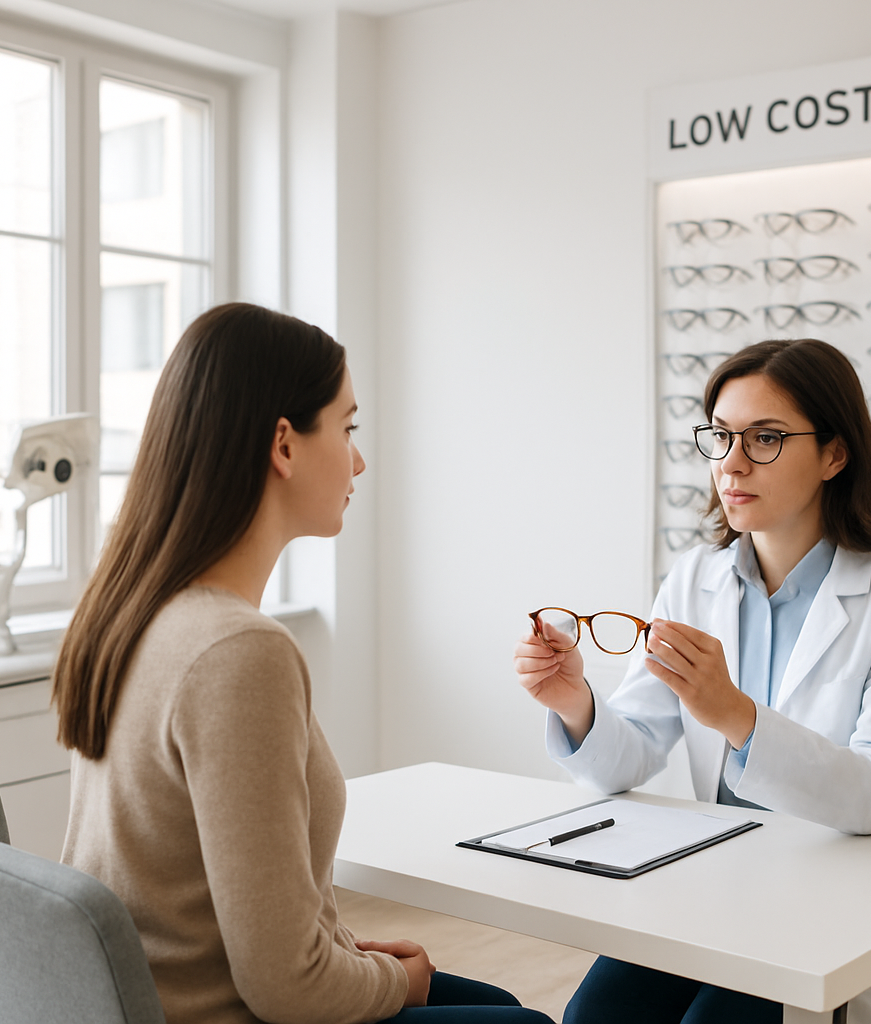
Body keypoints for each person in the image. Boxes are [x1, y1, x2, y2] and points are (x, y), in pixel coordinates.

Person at [54, 303, 553, 1024]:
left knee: (492, 1004)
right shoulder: (237, 652)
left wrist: (350, 955)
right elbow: (284, 985)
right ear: (283, 444)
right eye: (348, 428)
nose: (359, 458)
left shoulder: (126, 611)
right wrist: (390, 982)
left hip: (149, 1003)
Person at [513, 338, 871, 1024]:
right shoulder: (694, 579)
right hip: (726, 891)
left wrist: (736, 715)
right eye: (721, 437)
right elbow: (635, 747)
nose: (731, 463)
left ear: (834, 455)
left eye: (764, 438)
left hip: (854, 905)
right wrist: (576, 704)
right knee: (594, 1017)